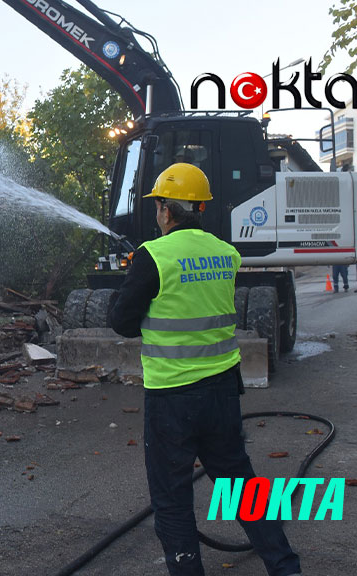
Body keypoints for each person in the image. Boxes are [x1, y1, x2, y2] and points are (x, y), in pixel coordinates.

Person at [108, 163, 301, 576]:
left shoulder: (153, 256)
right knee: (241, 487)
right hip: (222, 392)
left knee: (172, 500)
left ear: (166, 210)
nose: (157, 213)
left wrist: (133, 282)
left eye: (158, 206)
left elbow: (122, 322)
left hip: (172, 397)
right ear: (201, 207)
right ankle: (286, 567)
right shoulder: (225, 253)